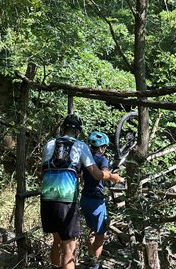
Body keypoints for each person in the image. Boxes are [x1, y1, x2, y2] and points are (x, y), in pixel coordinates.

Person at [40, 114, 124, 269]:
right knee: (69, 247)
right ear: (78, 132)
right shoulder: (80, 146)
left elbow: (44, 171)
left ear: (63, 127)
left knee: (57, 241)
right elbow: (97, 174)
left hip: (46, 197)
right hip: (65, 200)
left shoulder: (49, 144)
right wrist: (113, 176)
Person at [80, 131, 112, 269]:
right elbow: (104, 173)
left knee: (91, 230)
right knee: (100, 234)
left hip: (85, 199)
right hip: (96, 201)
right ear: (102, 147)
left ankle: (89, 257)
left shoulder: (86, 160)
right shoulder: (102, 160)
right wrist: (114, 176)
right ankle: (94, 265)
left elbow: (81, 176)